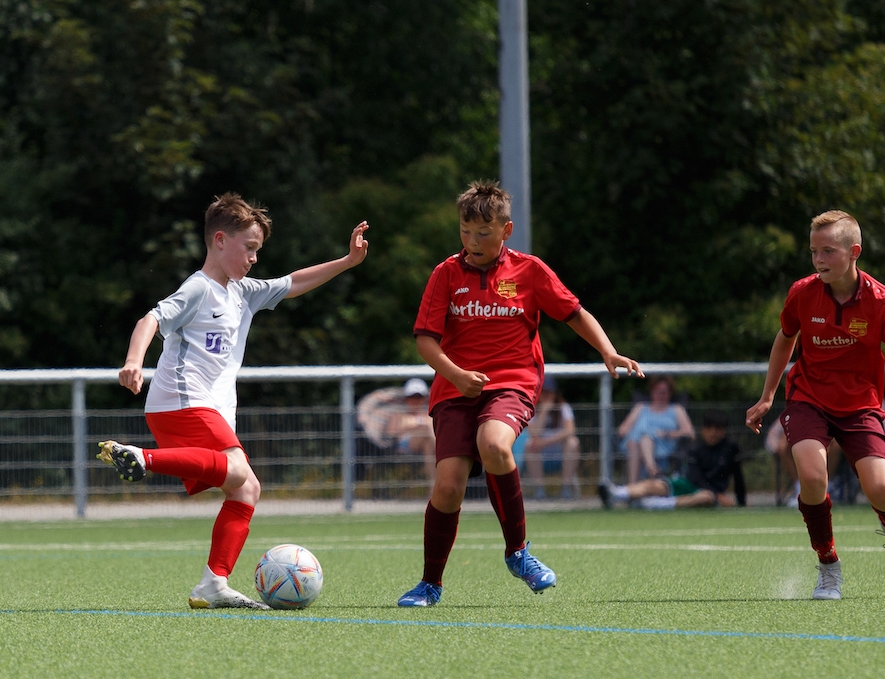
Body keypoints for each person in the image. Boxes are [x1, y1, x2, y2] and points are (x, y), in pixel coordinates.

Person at [97, 193, 369, 610]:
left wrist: (347, 262)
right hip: (181, 400)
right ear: (220, 240)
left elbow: (293, 282)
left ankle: (213, 583)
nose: (254, 259)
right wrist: (134, 361)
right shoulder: (199, 288)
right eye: (250, 248)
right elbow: (150, 319)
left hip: (203, 407)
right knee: (239, 469)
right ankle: (141, 457)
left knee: (246, 489)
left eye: (258, 251)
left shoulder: (243, 292)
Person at [396, 181, 643, 607]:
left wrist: (608, 350)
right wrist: (456, 375)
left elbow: (575, 313)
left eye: (483, 233)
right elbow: (425, 340)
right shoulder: (445, 274)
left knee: (494, 444)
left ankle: (518, 552)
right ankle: (430, 584)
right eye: (465, 231)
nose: (472, 242)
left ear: (506, 230)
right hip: (455, 387)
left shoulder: (529, 271)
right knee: (448, 487)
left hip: (512, 381)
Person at [745, 210, 885, 601]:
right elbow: (785, 339)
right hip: (808, 398)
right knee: (812, 477)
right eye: (813, 251)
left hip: (860, 406)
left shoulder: (883, 302)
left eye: (828, 251)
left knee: (881, 490)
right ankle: (828, 567)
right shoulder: (802, 293)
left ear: (854, 252)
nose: (818, 260)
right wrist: (768, 395)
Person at [600, 410, 745, 510]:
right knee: (656, 485)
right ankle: (616, 493)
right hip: (688, 484)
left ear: (724, 430)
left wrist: (741, 502)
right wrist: (718, 495)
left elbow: (738, 476)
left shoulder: (731, 448)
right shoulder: (696, 449)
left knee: (706, 498)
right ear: (703, 429)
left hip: (707, 494)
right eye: (709, 427)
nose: (713, 432)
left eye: (718, 428)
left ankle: (656, 504)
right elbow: (696, 478)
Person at [617, 376, 695, 483]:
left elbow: (690, 433)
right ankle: (651, 470)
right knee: (636, 440)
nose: (660, 395)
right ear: (652, 391)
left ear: (670, 393)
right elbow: (622, 430)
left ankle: (635, 484)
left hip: (664, 445)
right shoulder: (640, 407)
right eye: (658, 391)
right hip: (635, 446)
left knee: (644, 438)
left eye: (664, 392)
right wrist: (639, 431)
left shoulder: (676, 409)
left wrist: (668, 434)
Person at [520, 375, 581, 500]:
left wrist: (545, 442)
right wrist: (545, 409)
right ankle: (539, 490)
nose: (546, 395)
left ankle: (566, 488)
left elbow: (570, 431)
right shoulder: (532, 410)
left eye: (549, 392)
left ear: (554, 393)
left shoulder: (563, 408)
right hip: (540, 453)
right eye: (543, 392)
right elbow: (534, 433)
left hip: (559, 451)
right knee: (529, 445)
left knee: (573, 443)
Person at [384, 377, 436, 486]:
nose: (415, 401)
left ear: (424, 399)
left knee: (428, 443)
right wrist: (415, 428)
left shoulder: (429, 415)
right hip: (405, 445)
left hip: (428, 445)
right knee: (426, 431)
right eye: (412, 397)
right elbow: (390, 433)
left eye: (419, 397)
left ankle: (433, 486)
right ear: (406, 399)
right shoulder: (399, 415)